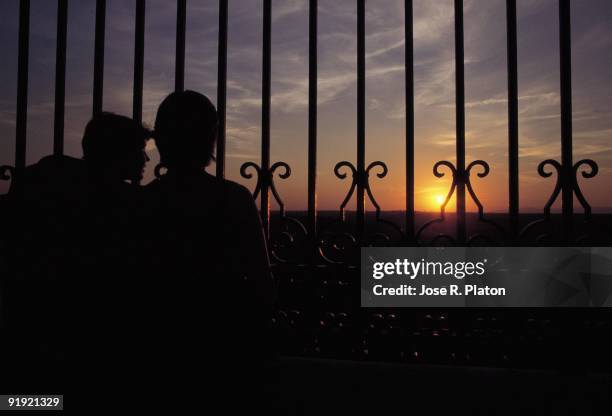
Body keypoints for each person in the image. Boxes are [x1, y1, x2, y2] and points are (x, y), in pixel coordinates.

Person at [144, 90, 275, 402]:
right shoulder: (233, 199)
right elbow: (262, 283)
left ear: (161, 139)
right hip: (223, 348)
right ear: (211, 138)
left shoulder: (141, 202)